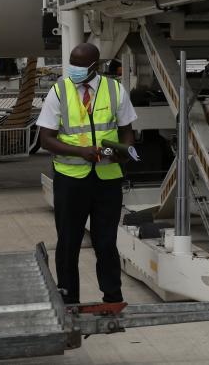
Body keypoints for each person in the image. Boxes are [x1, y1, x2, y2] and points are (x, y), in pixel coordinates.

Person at [37, 43, 137, 305]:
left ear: (96, 66)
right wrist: (80, 152)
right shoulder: (59, 91)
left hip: (107, 179)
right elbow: (46, 139)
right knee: (68, 243)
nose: (75, 69)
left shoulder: (115, 90)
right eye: (72, 63)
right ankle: (69, 300)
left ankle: (113, 299)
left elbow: (127, 130)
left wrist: (125, 150)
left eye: (81, 65)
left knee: (106, 242)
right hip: (71, 180)